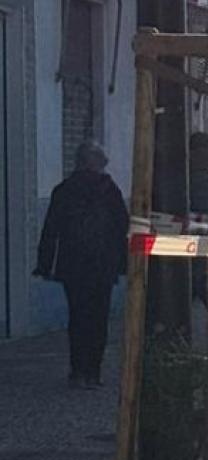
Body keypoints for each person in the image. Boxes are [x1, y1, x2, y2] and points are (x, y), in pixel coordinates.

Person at [34, 141, 129, 388]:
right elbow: (122, 227)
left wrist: (44, 263)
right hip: (102, 263)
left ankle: (78, 371)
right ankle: (93, 372)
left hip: (73, 264)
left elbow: (51, 229)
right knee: (99, 318)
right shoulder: (110, 191)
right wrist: (124, 263)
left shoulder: (64, 190)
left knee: (78, 316)